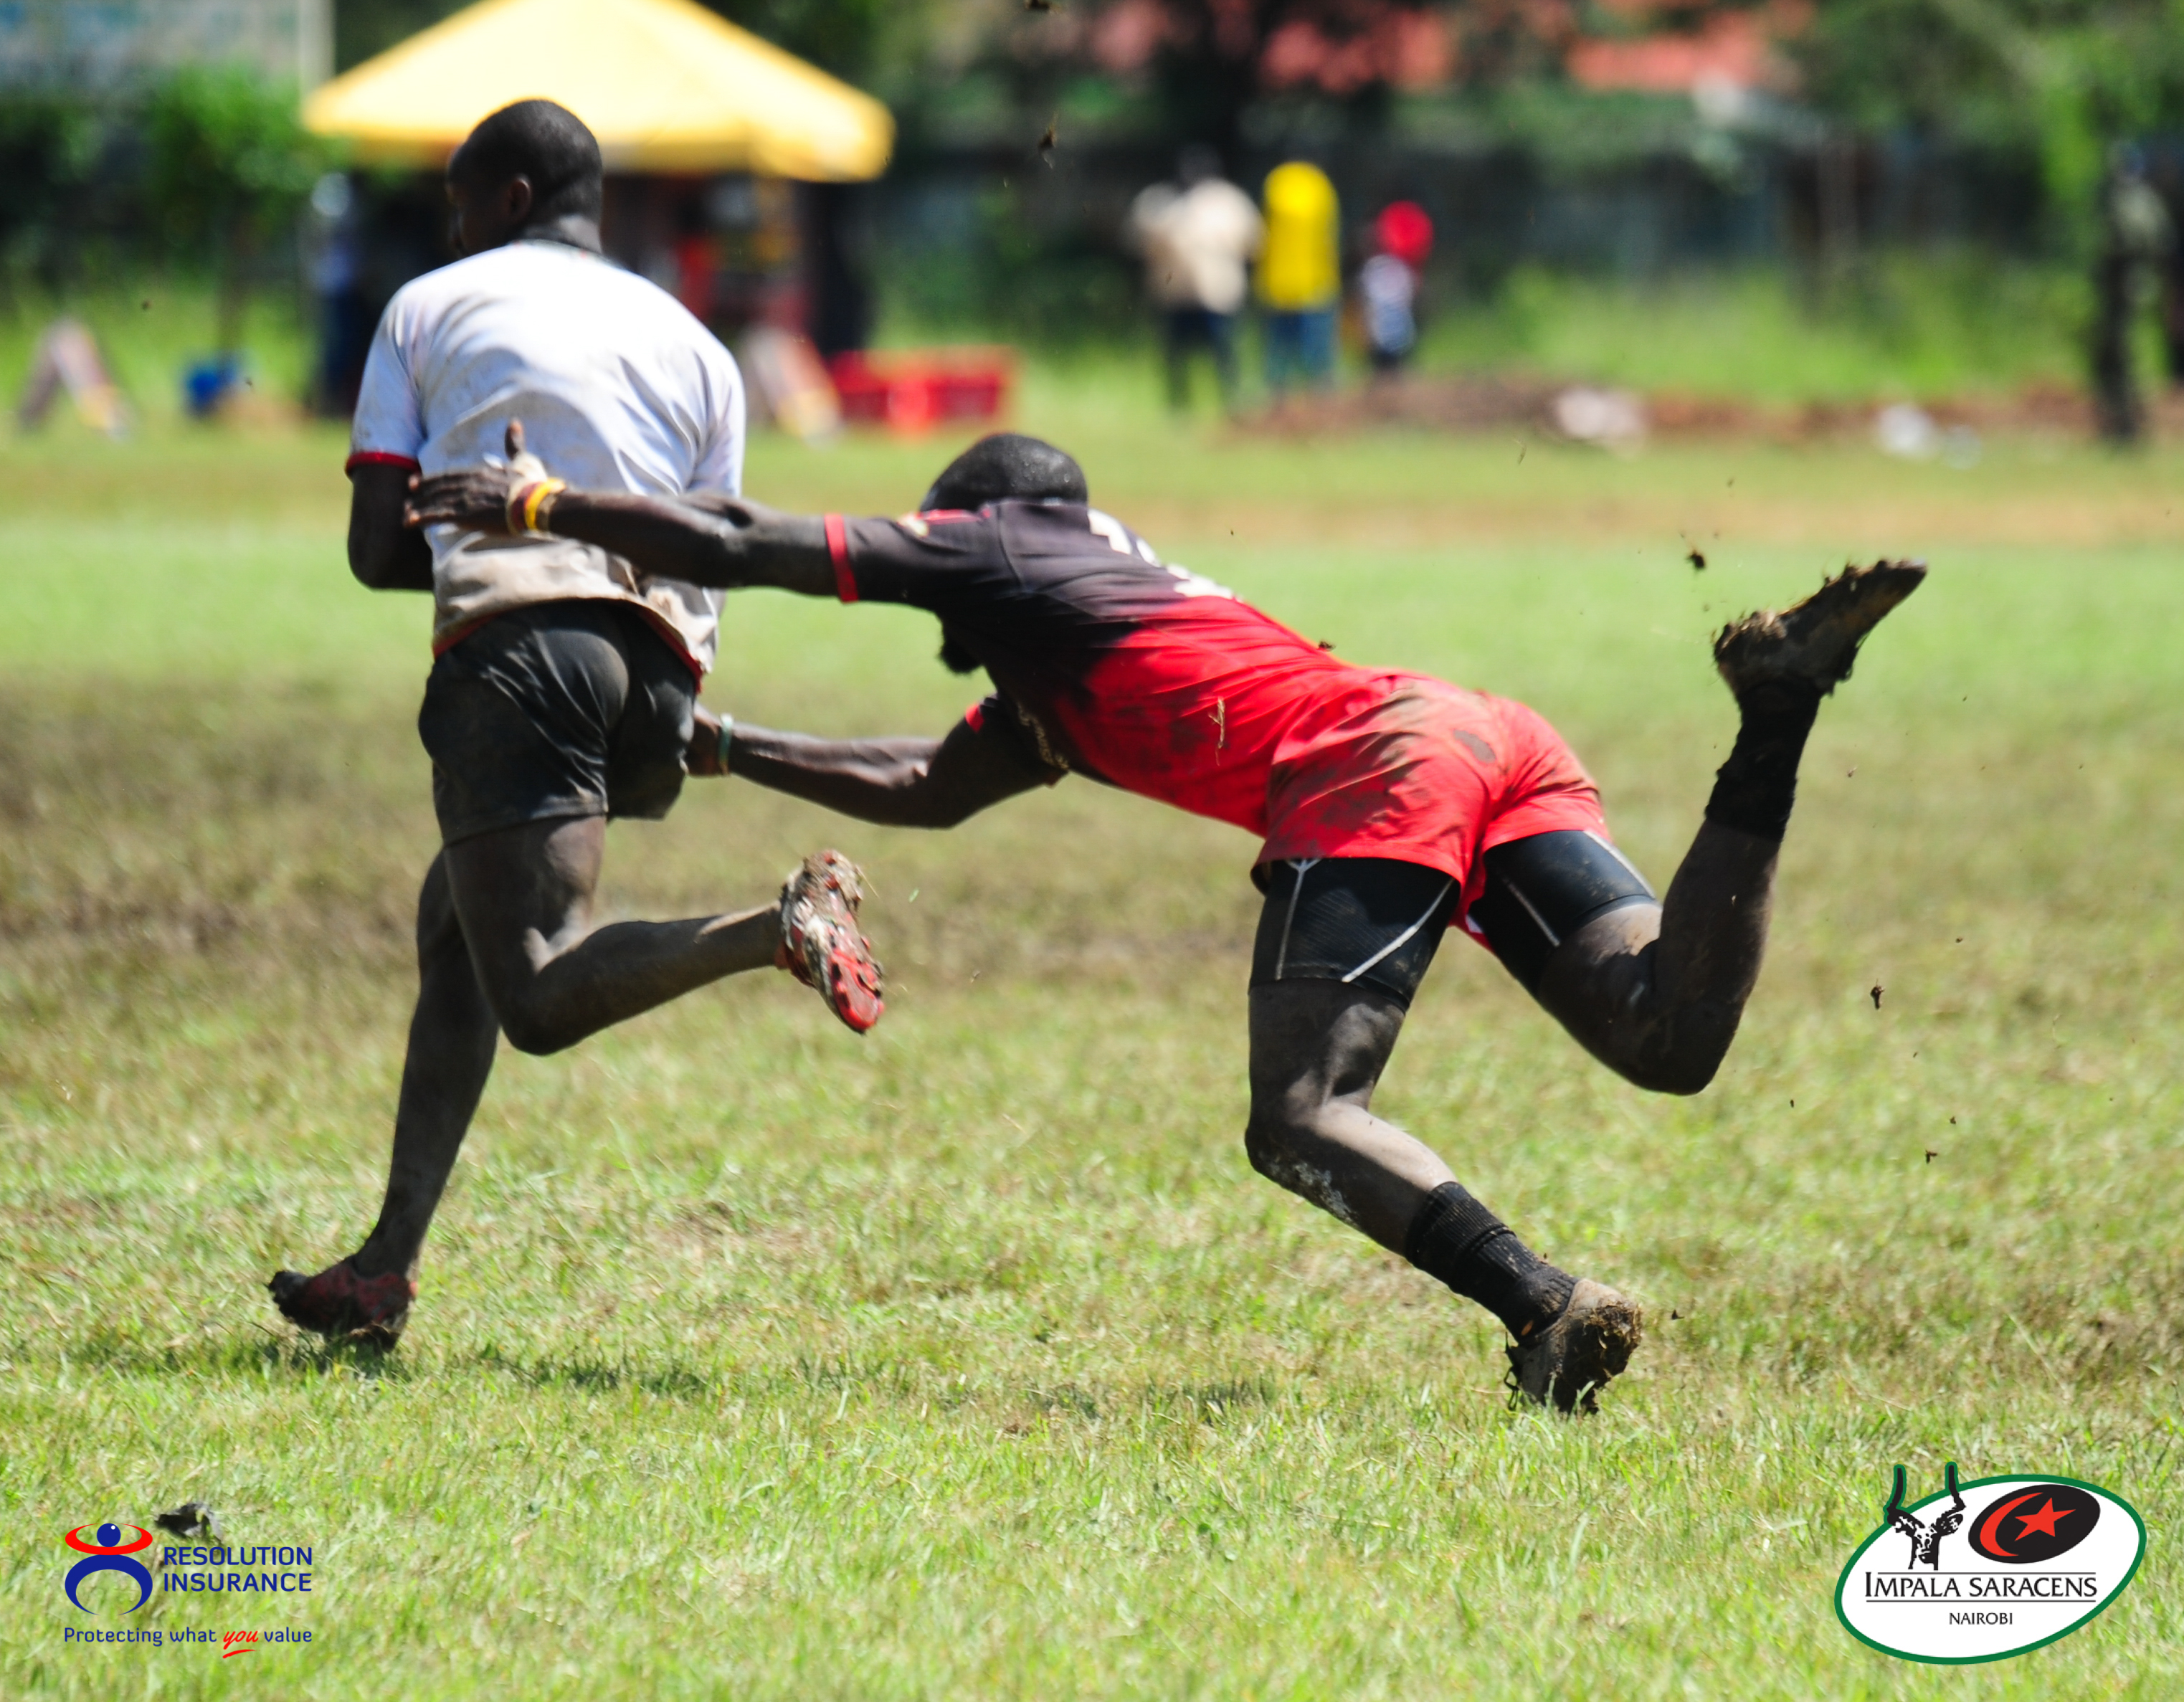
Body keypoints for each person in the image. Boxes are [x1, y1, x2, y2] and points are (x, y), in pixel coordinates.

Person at [407, 432, 1925, 1412]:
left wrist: (539, 508)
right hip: (1473, 735)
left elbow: (739, 535)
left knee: (1302, 1117)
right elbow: (931, 786)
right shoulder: (1073, 645)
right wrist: (732, 746)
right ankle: (1775, 714)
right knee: (1662, 1034)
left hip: (1375, 767)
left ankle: (1540, 1305)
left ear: (978, 518)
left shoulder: (1003, 547)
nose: (936, 593)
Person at [268, 100, 886, 1350]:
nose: (452, 229)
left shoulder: (430, 305)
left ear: (501, 199)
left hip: (521, 653)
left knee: (539, 988)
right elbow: (711, 543)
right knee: (461, 922)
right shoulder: (697, 342)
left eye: (457, 206)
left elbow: (374, 545)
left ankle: (778, 925)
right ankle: (384, 1265)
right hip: (658, 673)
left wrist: (482, 540)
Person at [1126, 147, 1265, 415]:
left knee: (1224, 354)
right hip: (1174, 294)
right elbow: (1137, 243)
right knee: (1175, 357)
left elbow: (1254, 242)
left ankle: (1232, 403)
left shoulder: (1228, 201)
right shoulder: (1158, 202)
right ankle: (1179, 406)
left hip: (1217, 294)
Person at [2091, 143, 2176, 444]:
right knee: (2124, 356)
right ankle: (2127, 423)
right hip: (2139, 287)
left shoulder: (2127, 201)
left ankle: (2126, 425)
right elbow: (2162, 245)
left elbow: (2126, 243)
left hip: (2124, 287)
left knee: (2118, 356)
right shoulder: (2150, 201)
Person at [1258, 161, 1341, 398]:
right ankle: (1321, 392)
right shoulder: (1320, 185)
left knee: (1279, 346)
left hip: (1277, 282)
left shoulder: (1277, 182)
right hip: (1316, 282)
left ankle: (1278, 394)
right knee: (1316, 347)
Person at [1359, 201, 1433, 381]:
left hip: (1393, 333)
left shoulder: (1379, 269)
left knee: (1392, 371)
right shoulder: (1378, 269)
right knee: (1387, 372)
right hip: (1386, 334)